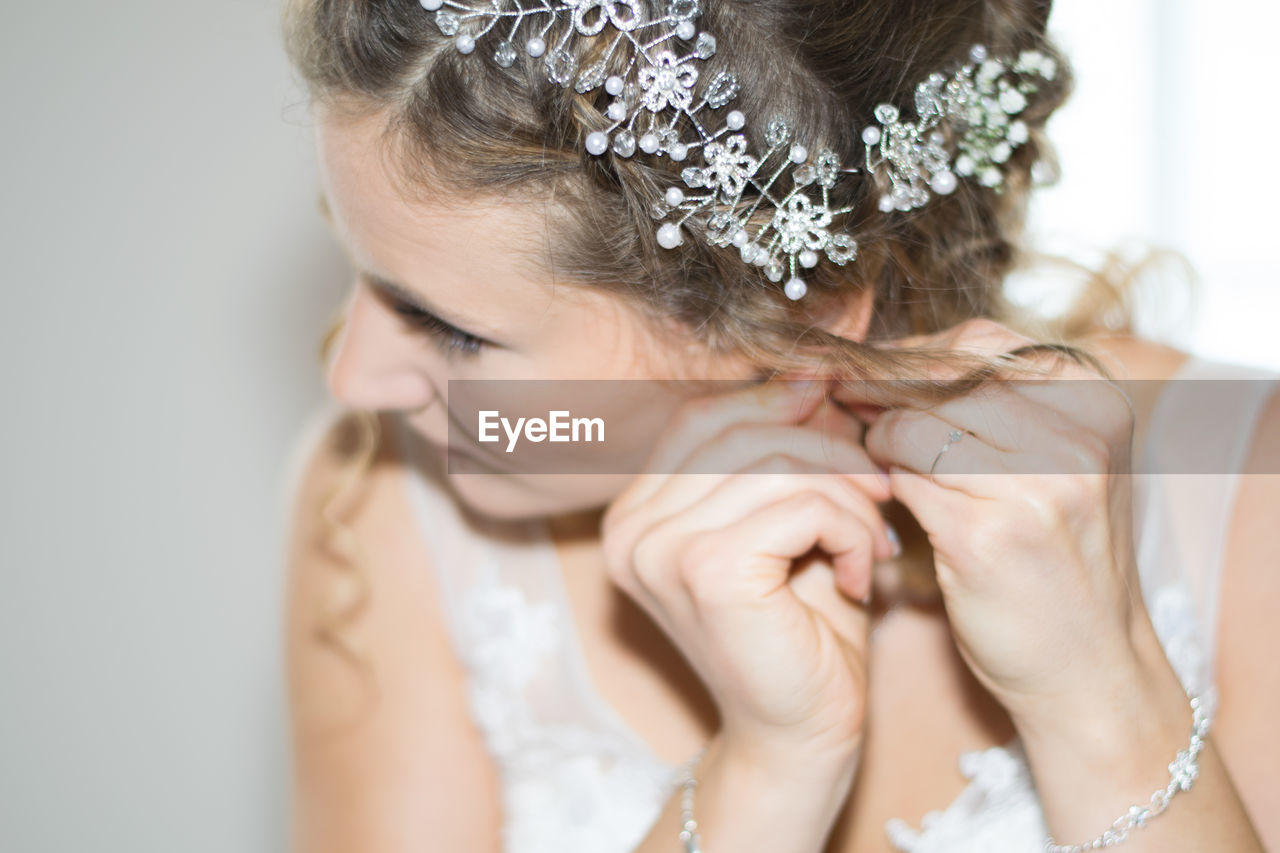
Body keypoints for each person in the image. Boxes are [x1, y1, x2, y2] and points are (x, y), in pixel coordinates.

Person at [278, 1, 1279, 851]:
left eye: (450, 330)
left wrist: (1099, 698)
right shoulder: (379, 496)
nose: (350, 376)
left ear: (802, 314)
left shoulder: (1245, 488)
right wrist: (759, 774)